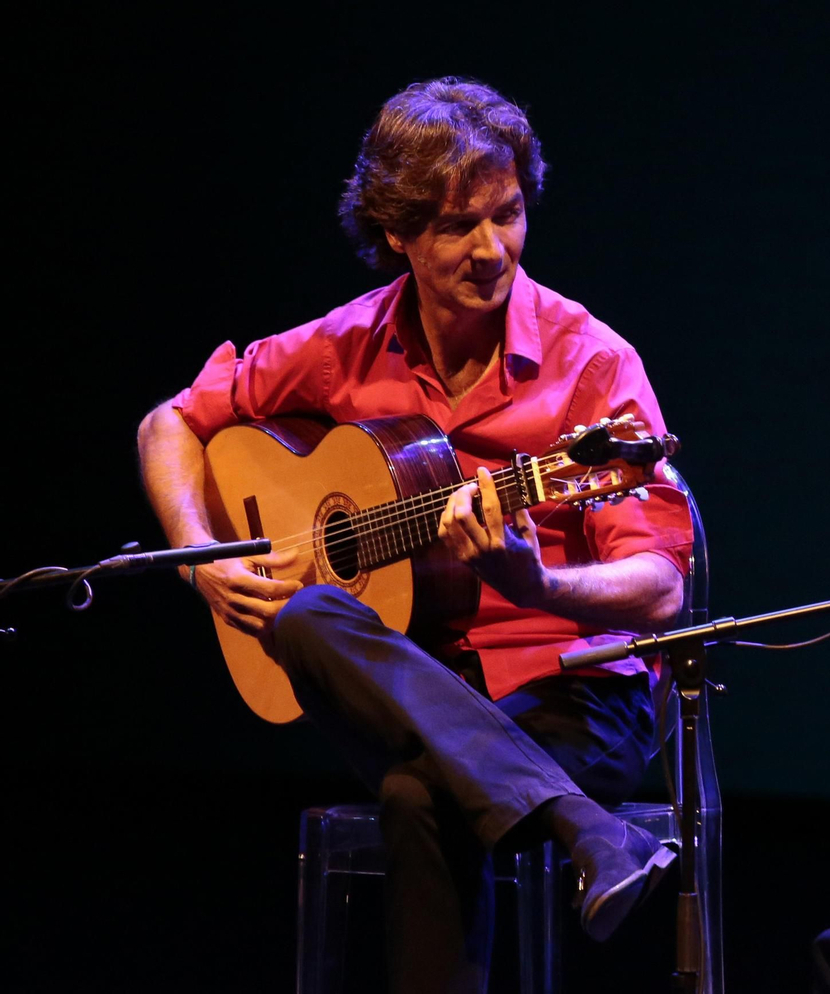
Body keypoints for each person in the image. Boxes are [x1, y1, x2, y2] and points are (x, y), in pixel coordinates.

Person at [137, 78, 691, 993]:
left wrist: (537, 583)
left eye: (508, 215)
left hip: (574, 692)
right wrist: (204, 561)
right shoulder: (345, 343)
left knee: (417, 794)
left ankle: (583, 816)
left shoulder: (593, 362)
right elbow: (172, 422)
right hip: (413, 674)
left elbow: (660, 586)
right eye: (454, 226)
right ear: (395, 231)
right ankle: (585, 829)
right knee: (308, 616)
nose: (492, 249)